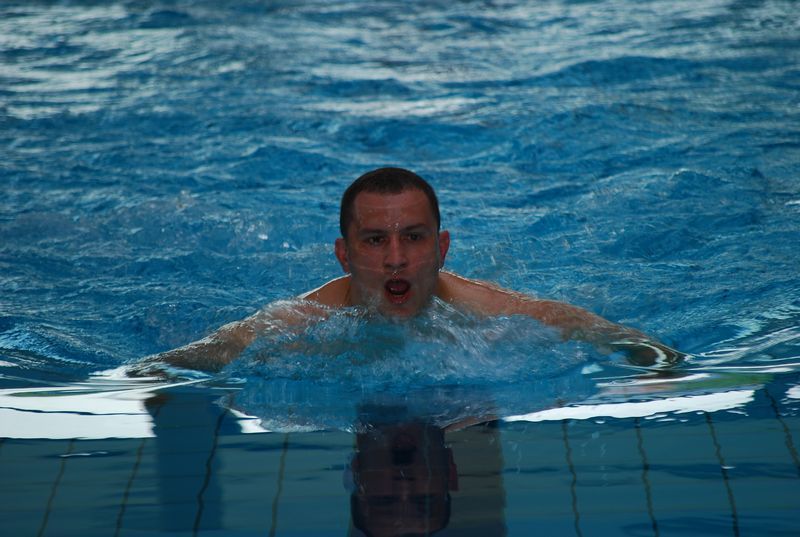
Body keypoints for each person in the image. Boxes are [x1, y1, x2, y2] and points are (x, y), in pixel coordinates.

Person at [135, 167, 682, 374]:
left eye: (414, 238)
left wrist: (657, 366)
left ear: (441, 248)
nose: (395, 258)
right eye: (375, 240)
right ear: (344, 255)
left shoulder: (486, 308)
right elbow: (182, 361)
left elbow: (605, 333)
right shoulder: (302, 319)